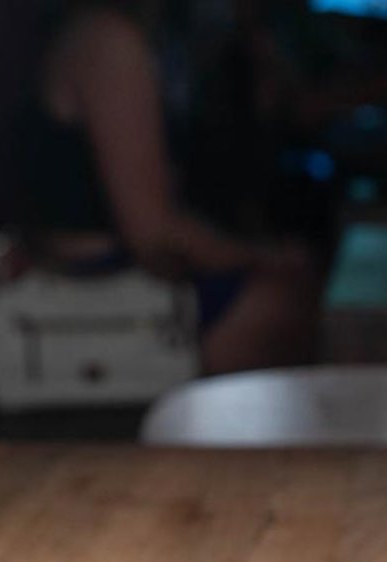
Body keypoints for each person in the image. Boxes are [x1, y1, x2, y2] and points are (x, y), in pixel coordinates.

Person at [26, 1, 320, 374]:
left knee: (295, 279)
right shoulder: (108, 40)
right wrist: (262, 258)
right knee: (286, 296)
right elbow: (154, 236)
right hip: (99, 283)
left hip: (129, 269)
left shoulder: (163, 38)